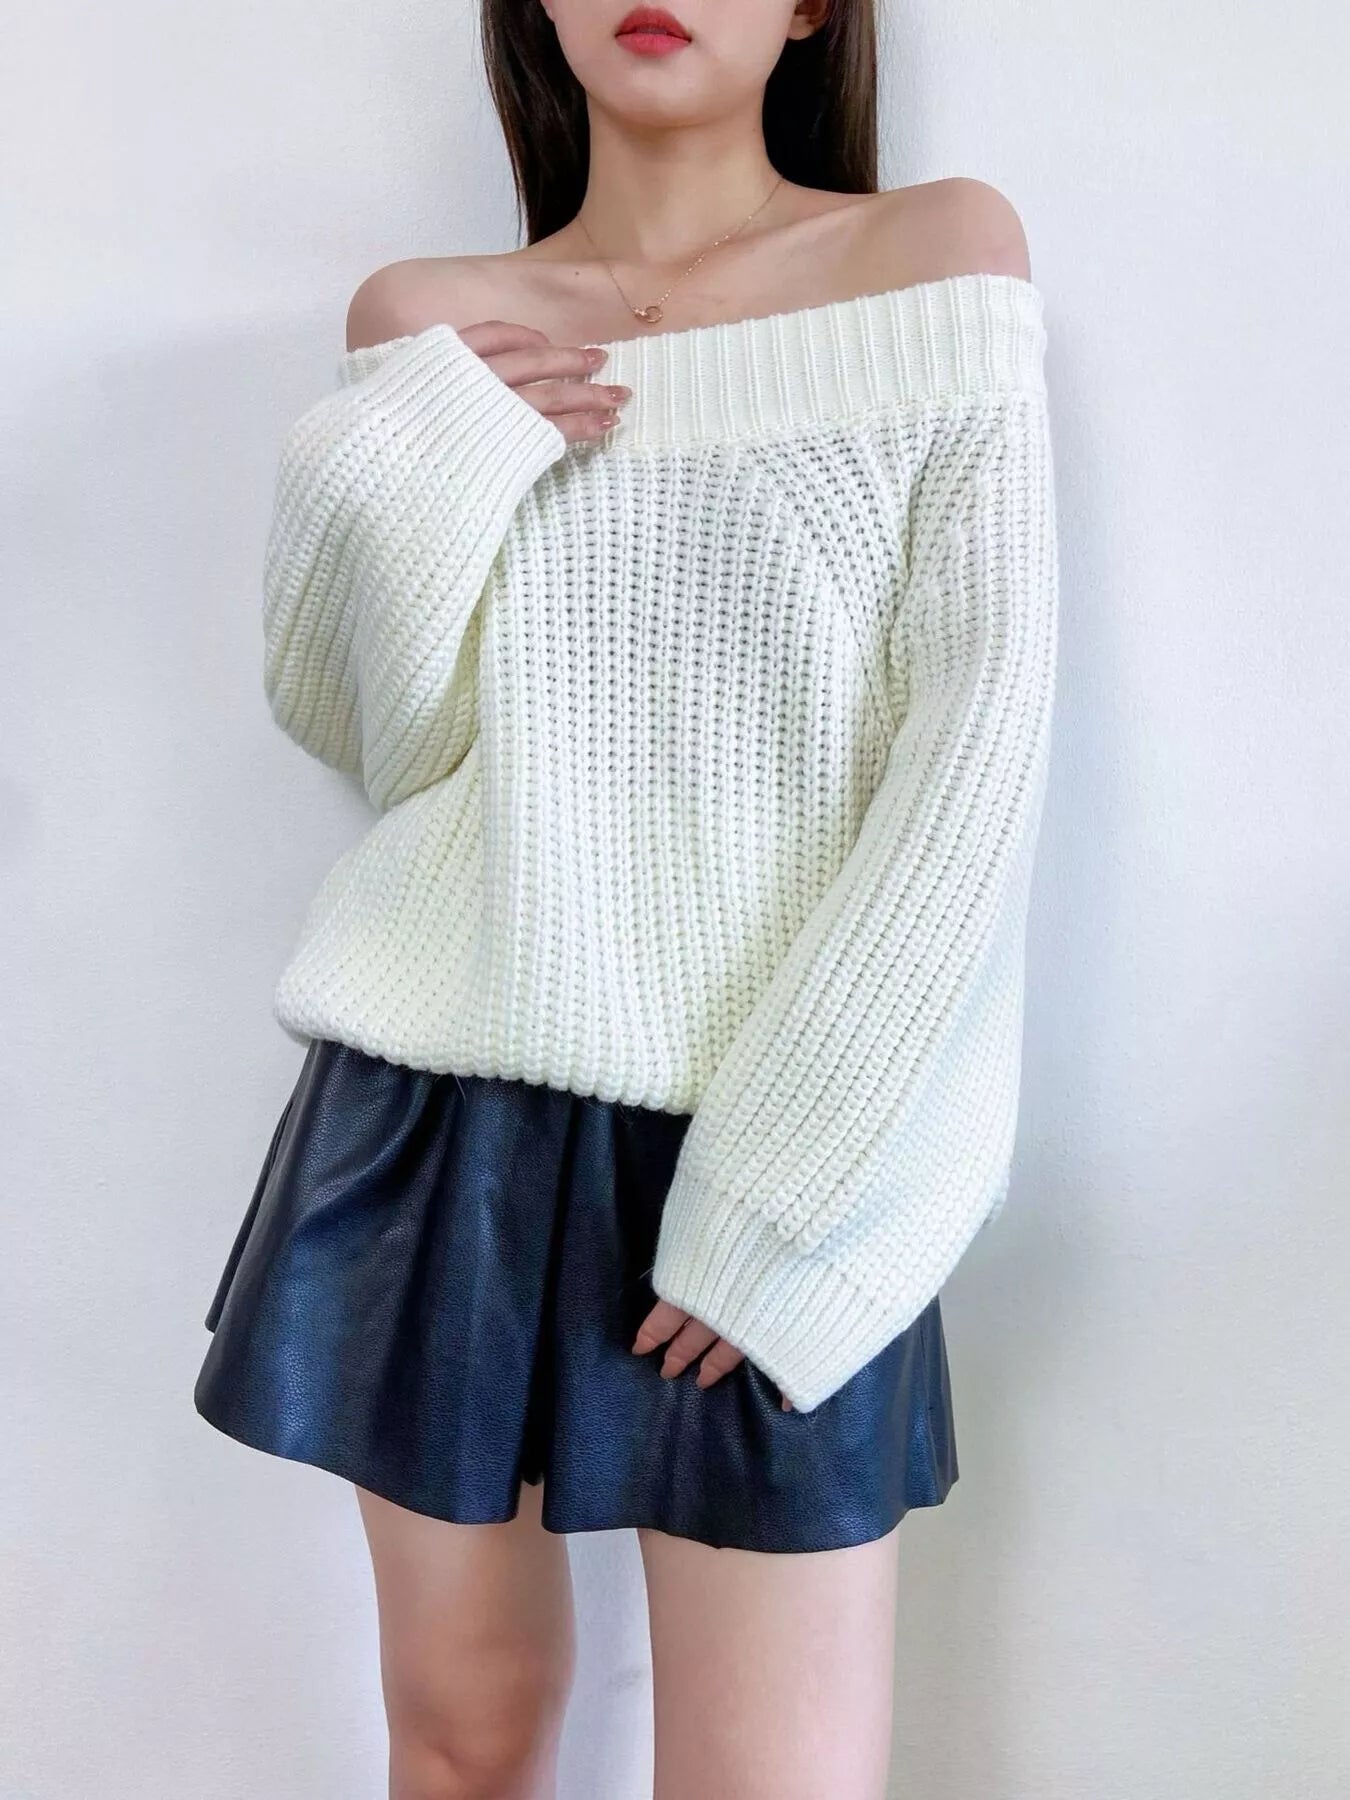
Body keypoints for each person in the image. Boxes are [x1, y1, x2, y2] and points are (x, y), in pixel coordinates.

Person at [194, 1, 1060, 1794]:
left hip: (800, 1107)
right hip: (443, 1114)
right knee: (461, 1740)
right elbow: (384, 740)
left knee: (774, 1778)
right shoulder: (431, 320)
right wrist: (417, 457)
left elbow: (975, 750)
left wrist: (801, 1183)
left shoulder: (936, 254)